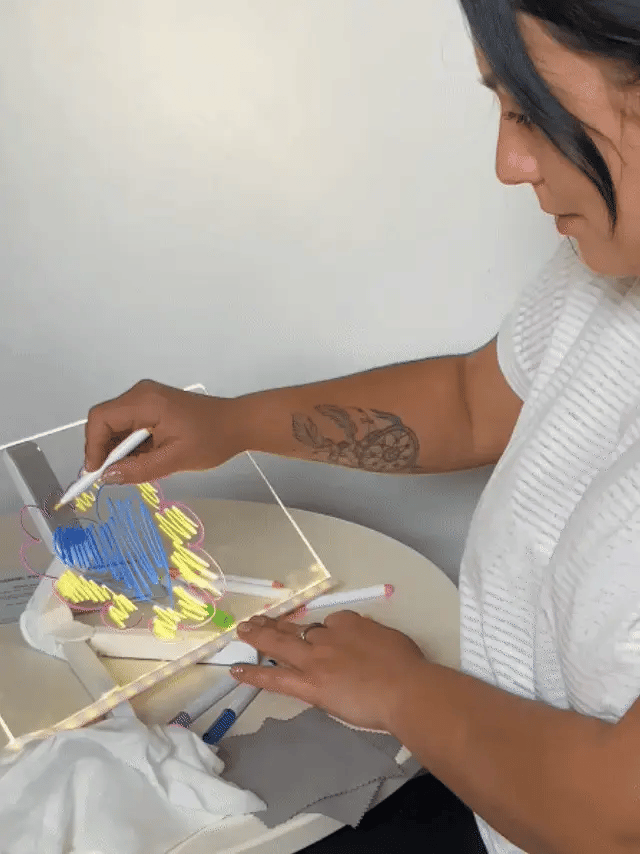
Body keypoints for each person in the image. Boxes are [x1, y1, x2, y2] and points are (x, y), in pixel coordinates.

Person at [82, 2, 640, 852]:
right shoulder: (608, 272)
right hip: (480, 769)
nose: (508, 163)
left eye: (530, 108)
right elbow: (472, 401)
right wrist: (232, 422)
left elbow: (615, 815)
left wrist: (402, 692)